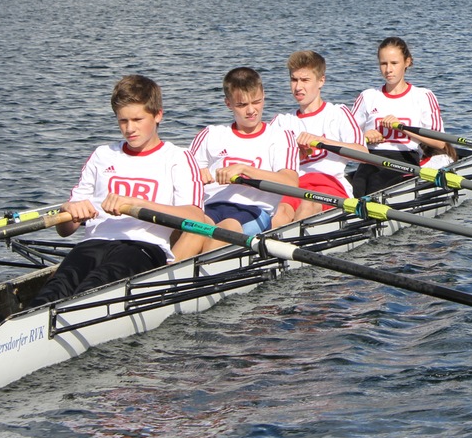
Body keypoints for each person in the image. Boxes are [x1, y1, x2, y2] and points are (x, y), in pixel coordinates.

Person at [28, 75, 206, 307]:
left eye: (137, 119)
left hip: (143, 248)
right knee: (55, 289)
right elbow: (65, 230)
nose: (129, 129)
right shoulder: (102, 155)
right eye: (123, 121)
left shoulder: (178, 158)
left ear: (158, 115)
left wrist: (135, 204)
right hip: (92, 244)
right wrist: (69, 209)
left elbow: (195, 218)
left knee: (94, 288)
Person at [190, 67, 299, 250]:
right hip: (211, 206)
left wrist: (243, 169)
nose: (251, 111)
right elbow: (183, 178)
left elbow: (290, 182)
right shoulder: (211, 134)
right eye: (241, 105)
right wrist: (194, 174)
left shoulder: (280, 137)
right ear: (228, 103)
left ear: (264, 95)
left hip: (254, 210)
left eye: (256, 102)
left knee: (224, 231)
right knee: (191, 231)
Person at [270, 50, 366, 223]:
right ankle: (274, 247)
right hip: (295, 186)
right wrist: (296, 154)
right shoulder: (281, 122)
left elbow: (364, 154)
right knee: (281, 211)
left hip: (330, 186)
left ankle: (292, 243)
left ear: (321, 81)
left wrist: (322, 141)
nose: (298, 87)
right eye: (294, 80)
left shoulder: (338, 113)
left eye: (305, 80)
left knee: (308, 204)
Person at [350, 36, 453, 197]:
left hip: (405, 160)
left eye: (394, 63)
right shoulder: (368, 97)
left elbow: (439, 142)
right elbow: (346, 138)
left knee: (377, 185)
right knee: (357, 187)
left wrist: (402, 128)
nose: (388, 69)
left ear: (407, 62)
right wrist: (363, 137)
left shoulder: (423, 96)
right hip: (370, 159)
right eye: (383, 64)